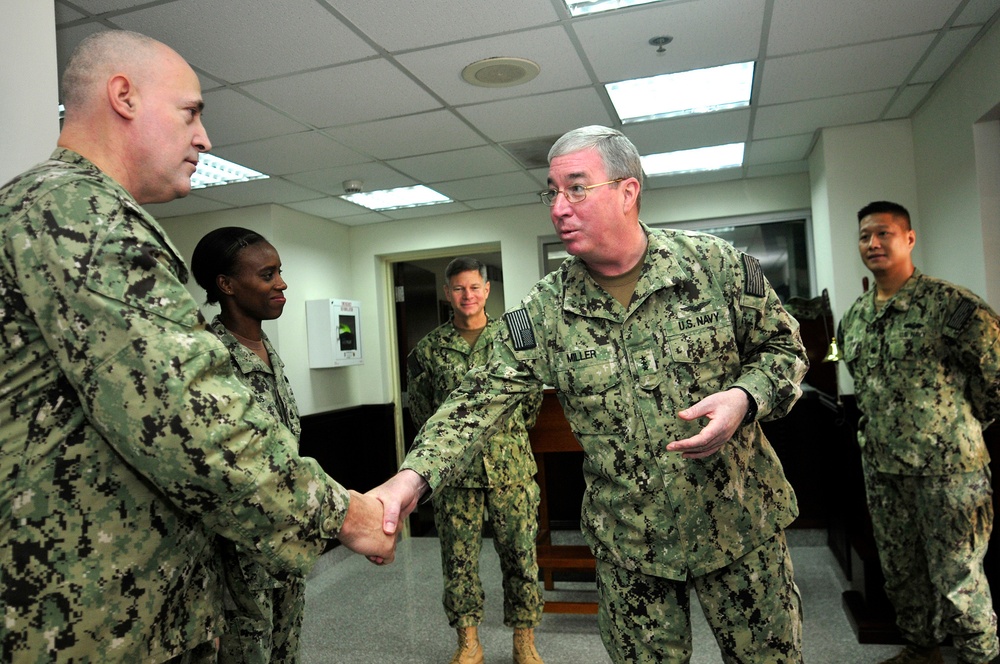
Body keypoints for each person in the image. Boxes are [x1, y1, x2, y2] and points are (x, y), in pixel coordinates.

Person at [0, 30, 393, 663]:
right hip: (87, 626)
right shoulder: (81, 212)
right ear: (123, 97)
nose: (204, 137)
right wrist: (347, 516)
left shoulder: (59, 206)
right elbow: (195, 424)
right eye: (191, 112)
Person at [371, 125, 810, 663]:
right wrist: (409, 480)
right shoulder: (545, 311)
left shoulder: (713, 266)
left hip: (742, 526)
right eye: (551, 191)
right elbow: (473, 403)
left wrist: (743, 397)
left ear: (628, 191)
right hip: (631, 550)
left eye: (576, 188)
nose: (558, 207)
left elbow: (785, 351)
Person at [839, 201, 1000, 664]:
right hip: (885, 472)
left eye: (884, 234)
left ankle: (979, 657)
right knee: (902, 573)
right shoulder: (856, 318)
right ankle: (921, 650)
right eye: (865, 236)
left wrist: (960, 428)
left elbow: (995, 381)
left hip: (949, 474)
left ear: (909, 239)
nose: (872, 243)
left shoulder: (953, 306)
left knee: (958, 578)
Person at [406, 257, 545, 664]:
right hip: (454, 477)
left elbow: (530, 401)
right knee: (458, 561)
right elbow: (423, 413)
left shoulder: (515, 339)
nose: (467, 295)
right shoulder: (429, 350)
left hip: (511, 471)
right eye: (458, 288)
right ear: (447, 293)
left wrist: (504, 440)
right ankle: (468, 641)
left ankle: (525, 640)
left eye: (474, 287)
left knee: (522, 557)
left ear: (486, 290)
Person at [190, 227, 305, 663]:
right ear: (227, 285)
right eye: (267, 274)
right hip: (235, 563)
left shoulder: (264, 350)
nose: (281, 283)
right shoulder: (210, 358)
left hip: (283, 547)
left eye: (280, 272)